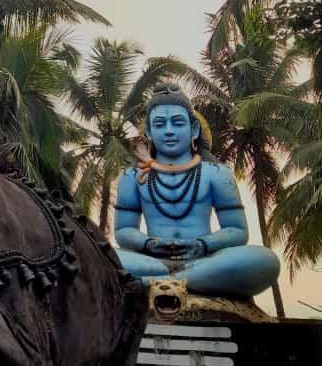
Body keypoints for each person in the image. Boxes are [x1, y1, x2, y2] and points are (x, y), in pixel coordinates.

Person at [114, 84, 279, 298]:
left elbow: (238, 230)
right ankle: (181, 280)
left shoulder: (216, 173)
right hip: (149, 260)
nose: (169, 131)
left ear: (194, 129)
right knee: (98, 257)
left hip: (204, 260)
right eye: (160, 124)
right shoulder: (132, 177)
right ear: (149, 132)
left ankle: (160, 283)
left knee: (265, 260)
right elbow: (123, 230)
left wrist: (202, 244)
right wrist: (148, 244)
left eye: (178, 122)